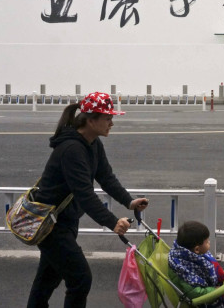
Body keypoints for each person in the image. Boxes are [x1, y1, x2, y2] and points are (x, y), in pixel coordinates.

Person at [27, 92, 149, 308]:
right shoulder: (71, 149)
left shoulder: (92, 143)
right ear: (91, 120)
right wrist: (112, 222)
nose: (112, 123)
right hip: (50, 225)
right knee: (80, 279)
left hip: (63, 221)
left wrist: (129, 202)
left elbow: (106, 177)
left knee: (47, 280)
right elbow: (84, 194)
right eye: (107, 118)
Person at [168, 221, 224, 307]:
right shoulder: (184, 270)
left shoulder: (182, 253)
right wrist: (215, 290)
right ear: (197, 249)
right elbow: (194, 292)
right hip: (202, 301)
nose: (209, 242)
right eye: (207, 241)